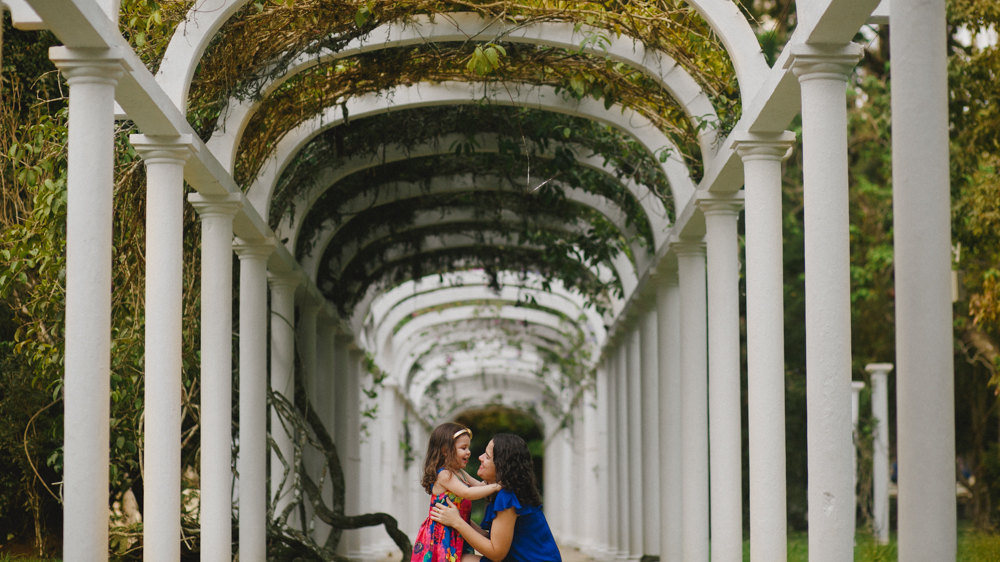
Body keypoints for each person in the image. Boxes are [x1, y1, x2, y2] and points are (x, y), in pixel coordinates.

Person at [430, 433, 562, 562]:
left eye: (487, 456)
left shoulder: (507, 496)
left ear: (501, 465)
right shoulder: (507, 491)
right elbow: (495, 540)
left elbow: (496, 554)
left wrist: (457, 522)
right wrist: (459, 518)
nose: (480, 457)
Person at [412, 423, 502, 562]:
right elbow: (467, 493)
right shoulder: (444, 474)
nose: (468, 452)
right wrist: (496, 487)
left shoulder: (460, 473)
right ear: (445, 450)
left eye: (468, 448)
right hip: (442, 534)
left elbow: (479, 486)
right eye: (463, 448)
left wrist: (499, 476)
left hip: (455, 531)